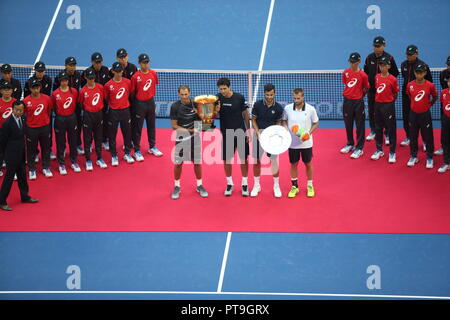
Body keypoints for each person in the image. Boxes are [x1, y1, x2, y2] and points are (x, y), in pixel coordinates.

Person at [169, 85, 208, 199]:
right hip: (181, 138)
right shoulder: (175, 106)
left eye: (186, 94)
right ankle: (177, 186)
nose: (184, 96)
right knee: (178, 163)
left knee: (197, 162)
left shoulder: (197, 104)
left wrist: (203, 113)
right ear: (178, 94)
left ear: (189, 93)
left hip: (195, 139)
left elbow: (206, 122)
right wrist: (190, 130)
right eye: (182, 94)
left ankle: (199, 185)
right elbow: (174, 126)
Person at [0, 100, 39, 211]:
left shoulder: (22, 118)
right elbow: (2, 142)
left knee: (22, 177)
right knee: (8, 178)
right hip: (11, 156)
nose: (19, 112)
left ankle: (25, 197)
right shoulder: (7, 123)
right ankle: (2, 201)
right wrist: (4, 157)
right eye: (17, 110)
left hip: (21, 154)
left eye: (21, 110)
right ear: (12, 109)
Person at [281, 88, 319, 198]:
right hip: (292, 143)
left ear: (303, 97)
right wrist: (285, 128)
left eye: (298, 98)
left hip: (306, 143)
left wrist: (308, 133)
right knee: (294, 164)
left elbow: (316, 122)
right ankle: (294, 186)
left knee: (308, 163)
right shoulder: (288, 108)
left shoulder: (311, 109)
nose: (296, 100)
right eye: (294, 98)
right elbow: (284, 120)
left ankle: (310, 185)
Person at [216, 77, 251, 196]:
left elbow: (245, 114)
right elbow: (213, 115)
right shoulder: (217, 98)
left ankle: (245, 184)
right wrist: (216, 110)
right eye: (220, 89)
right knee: (227, 160)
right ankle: (229, 183)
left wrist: (248, 130)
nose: (223, 91)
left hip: (240, 132)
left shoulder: (239, 97)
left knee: (243, 159)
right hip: (226, 133)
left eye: (224, 88)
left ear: (229, 87)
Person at [250, 83, 284, 198]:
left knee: (273, 161)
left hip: (272, 138)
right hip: (259, 136)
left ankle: (276, 186)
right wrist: (257, 131)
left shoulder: (278, 107)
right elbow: (253, 120)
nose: (269, 97)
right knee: (256, 161)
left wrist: (276, 133)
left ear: (275, 93)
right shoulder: (258, 105)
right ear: (264, 93)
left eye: (271, 95)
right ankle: (256, 185)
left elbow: (279, 122)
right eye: (267, 95)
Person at [364, 36, 399, 142]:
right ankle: (373, 131)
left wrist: (387, 85)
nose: (377, 48)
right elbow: (366, 73)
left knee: (386, 114)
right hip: (372, 91)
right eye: (375, 46)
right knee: (372, 111)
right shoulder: (369, 58)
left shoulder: (389, 58)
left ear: (384, 46)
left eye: (379, 46)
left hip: (385, 93)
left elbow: (395, 74)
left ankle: (387, 133)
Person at [399, 45, 433, 148]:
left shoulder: (423, 65)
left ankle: (425, 141)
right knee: (406, 117)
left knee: (422, 121)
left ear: (416, 54)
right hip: (406, 95)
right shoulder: (403, 64)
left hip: (420, 97)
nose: (408, 56)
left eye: (411, 55)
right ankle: (409, 137)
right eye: (407, 54)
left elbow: (429, 82)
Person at [130, 53, 162, 161]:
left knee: (151, 126)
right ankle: (137, 150)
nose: (145, 64)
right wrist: (137, 103)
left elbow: (154, 85)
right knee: (138, 128)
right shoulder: (135, 77)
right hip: (139, 104)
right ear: (139, 63)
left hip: (150, 102)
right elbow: (133, 92)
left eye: (147, 62)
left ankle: (152, 146)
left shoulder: (153, 73)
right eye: (143, 62)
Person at [406, 64, 437, 168]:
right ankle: (414, 156)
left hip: (425, 115)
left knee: (428, 137)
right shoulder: (410, 85)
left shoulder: (430, 85)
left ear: (425, 73)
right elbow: (409, 95)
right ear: (414, 73)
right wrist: (415, 105)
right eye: (417, 72)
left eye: (421, 72)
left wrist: (429, 105)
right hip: (413, 114)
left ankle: (429, 157)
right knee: (413, 136)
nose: (419, 75)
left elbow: (435, 96)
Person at [104, 62, 134, 166]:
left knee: (127, 133)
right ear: (112, 71)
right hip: (113, 112)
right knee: (112, 135)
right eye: (116, 71)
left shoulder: (128, 82)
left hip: (125, 111)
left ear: (123, 71)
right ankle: (114, 155)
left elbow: (130, 94)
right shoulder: (108, 85)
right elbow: (106, 98)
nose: (118, 73)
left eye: (120, 71)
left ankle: (127, 153)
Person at [340, 52, 370, 159]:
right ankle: (350, 144)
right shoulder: (345, 73)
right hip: (347, 101)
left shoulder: (363, 75)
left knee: (359, 125)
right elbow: (347, 85)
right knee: (348, 123)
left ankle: (359, 148)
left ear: (359, 62)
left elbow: (366, 88)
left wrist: (359, 96)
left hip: (358, 102)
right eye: (350, 62)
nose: (352, 64)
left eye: (354, 62)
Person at [371, 56, 400, 163]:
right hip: (377, 105)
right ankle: (379, 149)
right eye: (380, 65)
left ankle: (392, 152)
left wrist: (389, 101)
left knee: (391, 129)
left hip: (388, 106)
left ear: (389, 66)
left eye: (384, 65)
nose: (382, 67)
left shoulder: (393, 79)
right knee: (378, 128)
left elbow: (395, 93)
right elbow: (377, 89)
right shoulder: (377, 76)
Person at [24, 61, 56, 161]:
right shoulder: (29, 82)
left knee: (48, 132)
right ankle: (35, 152)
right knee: (33, 135)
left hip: (45, 110)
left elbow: (47, 96)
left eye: (42, 71)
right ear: (35, 71)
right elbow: (26, 98)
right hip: (34, 111)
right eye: (38, 71)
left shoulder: (48, 80)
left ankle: (48, 150)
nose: (40, 73)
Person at [23, 79, 53, 179]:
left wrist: (45, 122)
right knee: (31, 150)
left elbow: (49, 111)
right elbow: (24, 114)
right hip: (31, 129)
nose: (36, 90)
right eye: (33, 88)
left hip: (44, 128)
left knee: (46, 149)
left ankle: (46, 167)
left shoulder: (47, 99)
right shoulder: (26, 101)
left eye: (37, 87)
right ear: (30, 89)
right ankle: (32, 169)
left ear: (40, 87)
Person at [78, 67, 107, 170]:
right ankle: (88, 160)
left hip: (99, 115)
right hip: (88, 116)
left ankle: (99, 158)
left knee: (98, 137)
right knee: (87, 138)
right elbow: (81, 104)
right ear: (85, 78)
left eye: (93, 78)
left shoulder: (100, 87)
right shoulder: (82, 91)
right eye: (89, 78)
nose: (91, 80)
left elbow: (104, 98)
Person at [81, 52, 111, 151]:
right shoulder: (87, 72)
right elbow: (83, 88)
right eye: (96, 62)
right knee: (89, 127)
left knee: (104, 123)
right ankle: (89, 143)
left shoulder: (106, 70)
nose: (98, 64)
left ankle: (104, 140)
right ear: (92, 62)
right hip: (91, 104)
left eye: (100, 62)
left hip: (103, 102)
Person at [53, 57, 83, 155]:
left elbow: (81, 89)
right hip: (63, 108)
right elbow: (55, 92)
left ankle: (77, 144)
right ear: (65, 66)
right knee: (62, 131)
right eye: (70, 65)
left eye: (74, 65)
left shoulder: (78, 75)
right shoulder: (60, 77)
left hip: (75, 106)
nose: (72, 67)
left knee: (77, 126)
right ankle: (63, 147)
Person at [52, 71, 80, 175]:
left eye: (66, 80)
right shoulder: (55, 93)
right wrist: (60, 115)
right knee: (60, 142)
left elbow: (77, 103)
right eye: (62, 80)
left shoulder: (74, 91)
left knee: (73, 141)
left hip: (72, 118)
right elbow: (54, 107)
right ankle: (61, 163)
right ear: (60, 81)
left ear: (68, 81)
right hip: (60, 119)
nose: (64, 82)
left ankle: (74, 161)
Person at [0, 81, 16, 177]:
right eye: (5, 90)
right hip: (1, 131)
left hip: (12, 132)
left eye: (9, 90)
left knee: (12, 152)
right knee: (1, 151)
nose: (7, 92)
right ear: (1, 91)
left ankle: (12, 171)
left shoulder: (15, 102)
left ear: (11, 91)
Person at [435, 56, 450, 156]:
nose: (449, 67)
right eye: (448, 65)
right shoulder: (442, 74)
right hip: (445, 103)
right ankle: (443, 147)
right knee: (444, 127)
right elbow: (444, 88)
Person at [437, 76, 450, 173]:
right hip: (446, 120)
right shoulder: (443, 92)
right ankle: (446, 162)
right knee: (445, 141)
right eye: (449, 81)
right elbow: (443, 104)